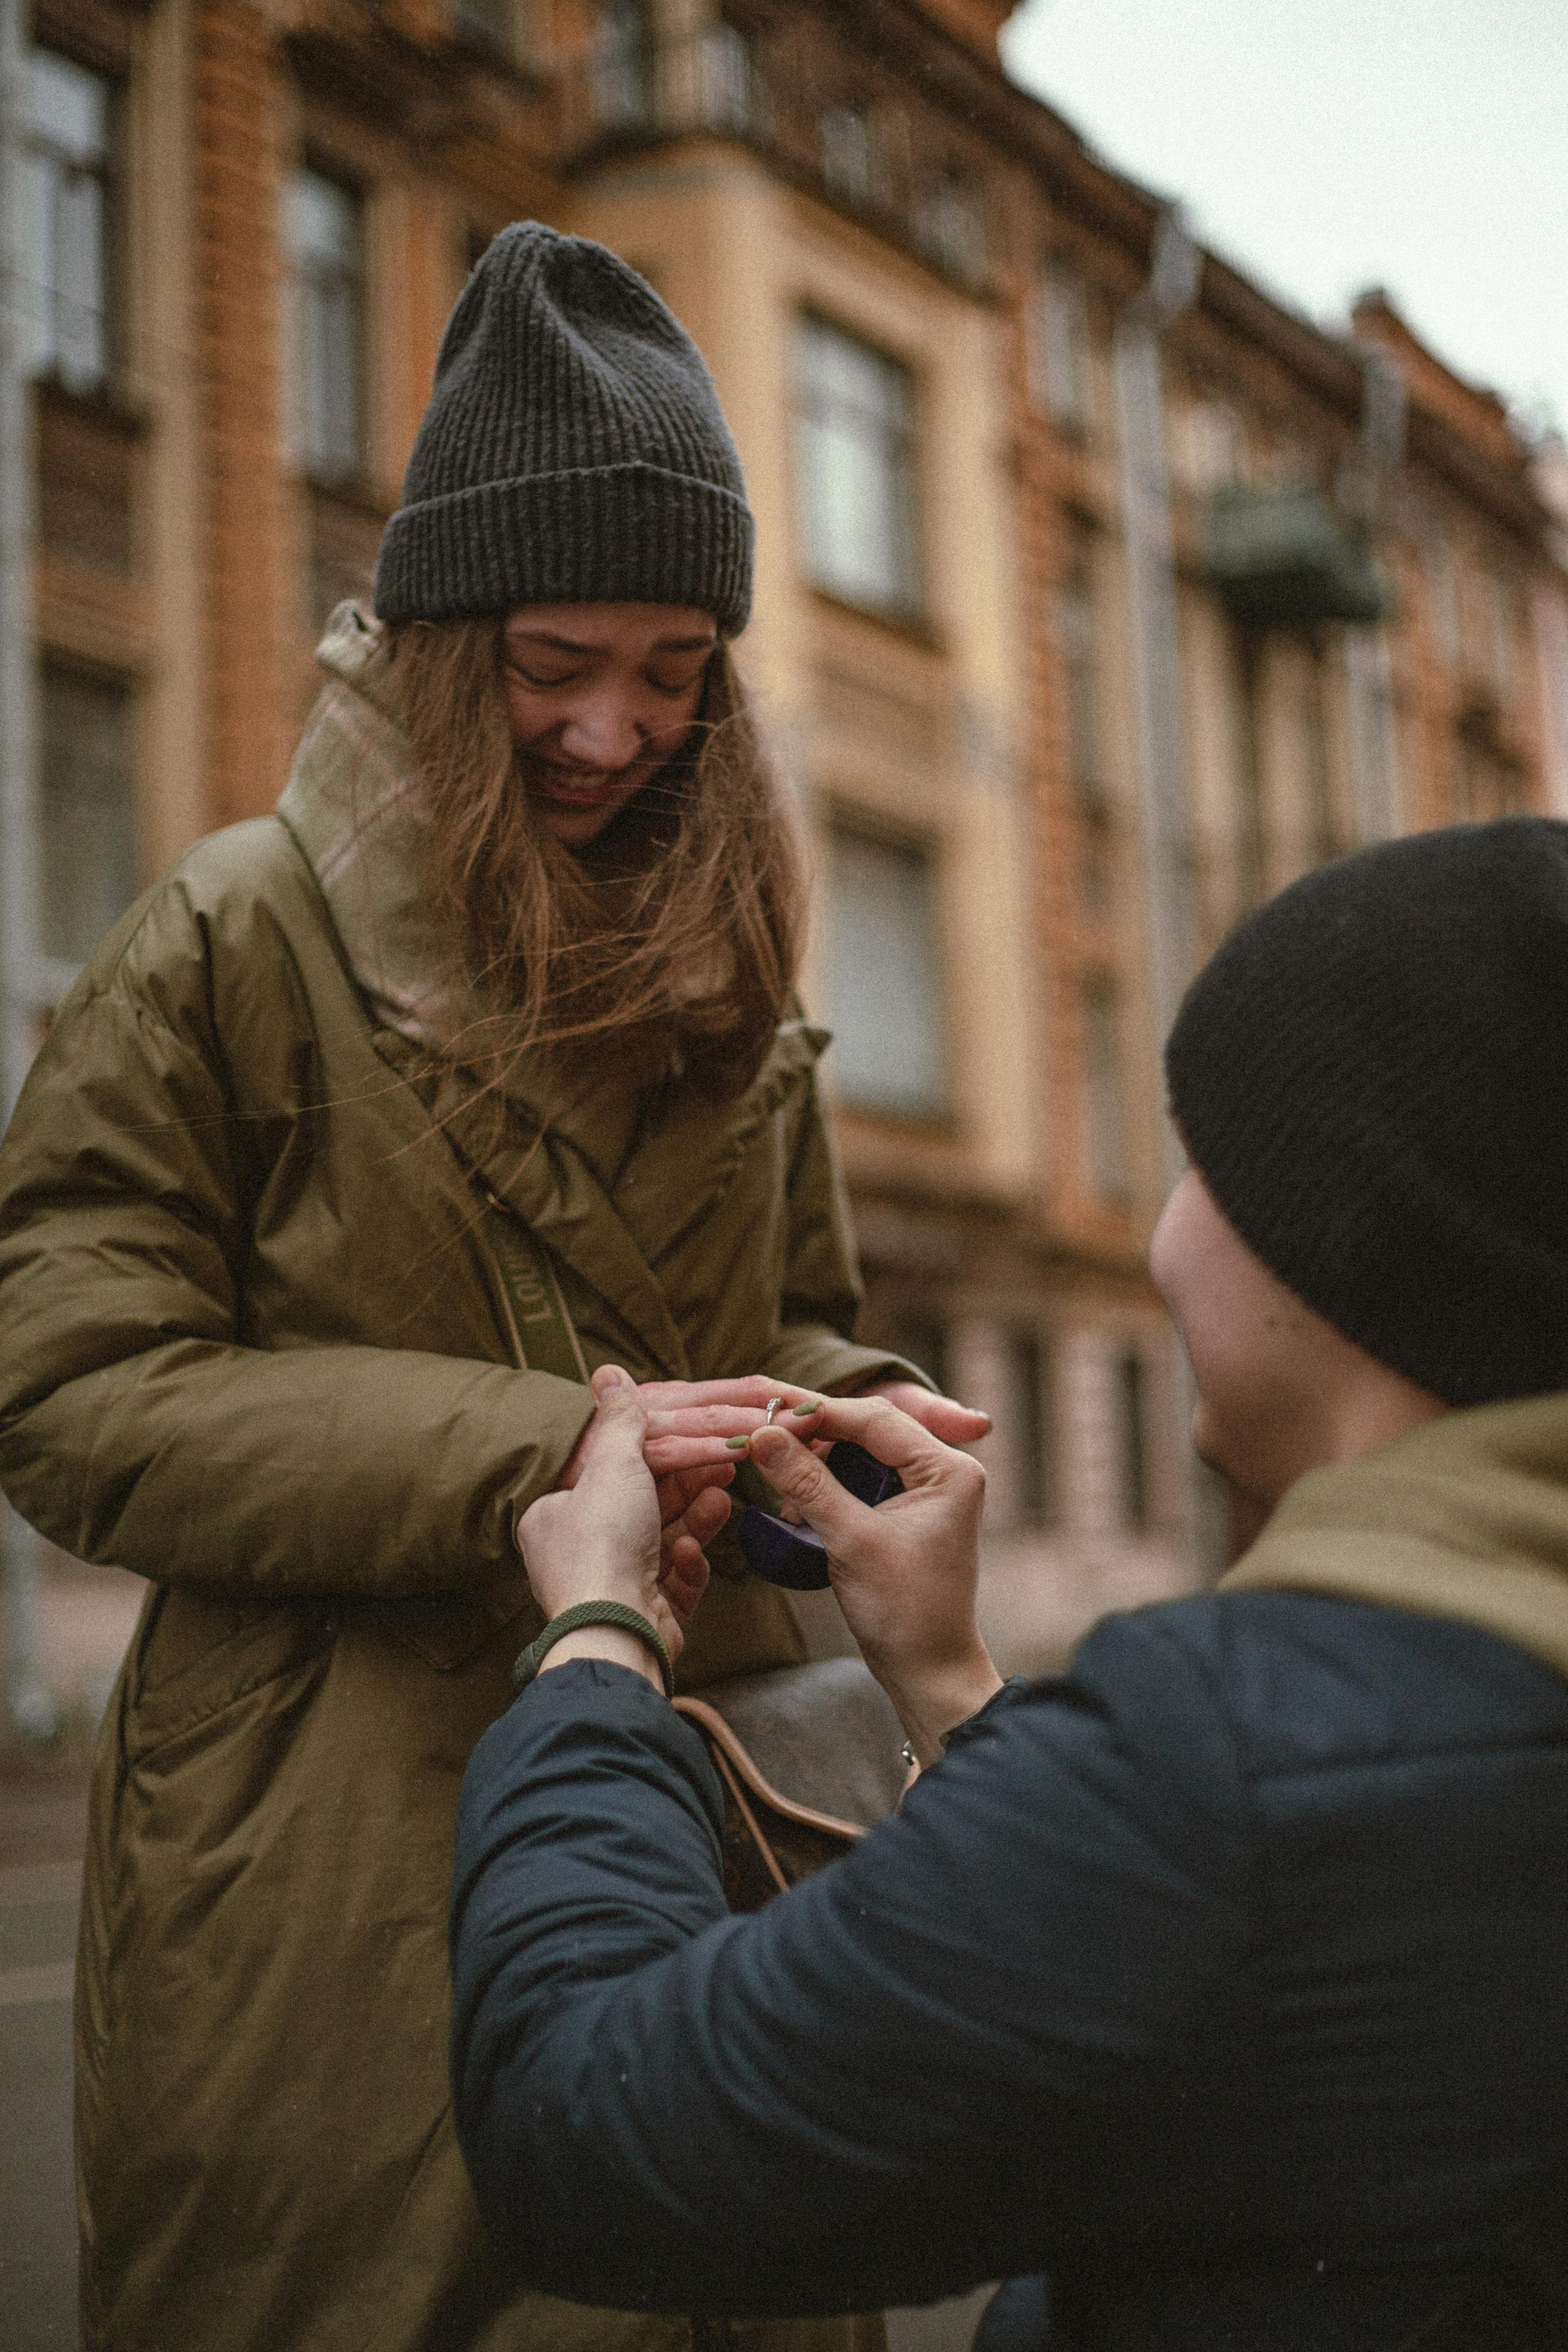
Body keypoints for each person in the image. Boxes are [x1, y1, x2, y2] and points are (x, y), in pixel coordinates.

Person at [0, 223, 985, 2352]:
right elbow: (69, 1389)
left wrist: (861, 1421)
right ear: (446, 640)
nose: (616, 730)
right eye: (555, 663)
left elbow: (779, 1312)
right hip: (329, 1835)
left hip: (716, 1793)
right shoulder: (230, 937)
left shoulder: (737, 967)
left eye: (671, 668)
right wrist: (545, 1456)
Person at [450, 816, 1568, 2352]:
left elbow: (588, 2131)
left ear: (1346, 1235)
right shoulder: (1363, 1742)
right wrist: (951, 1683)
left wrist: (590, 1651)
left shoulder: (1229, 1768)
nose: (1167, 1226)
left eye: (1200, 1163)